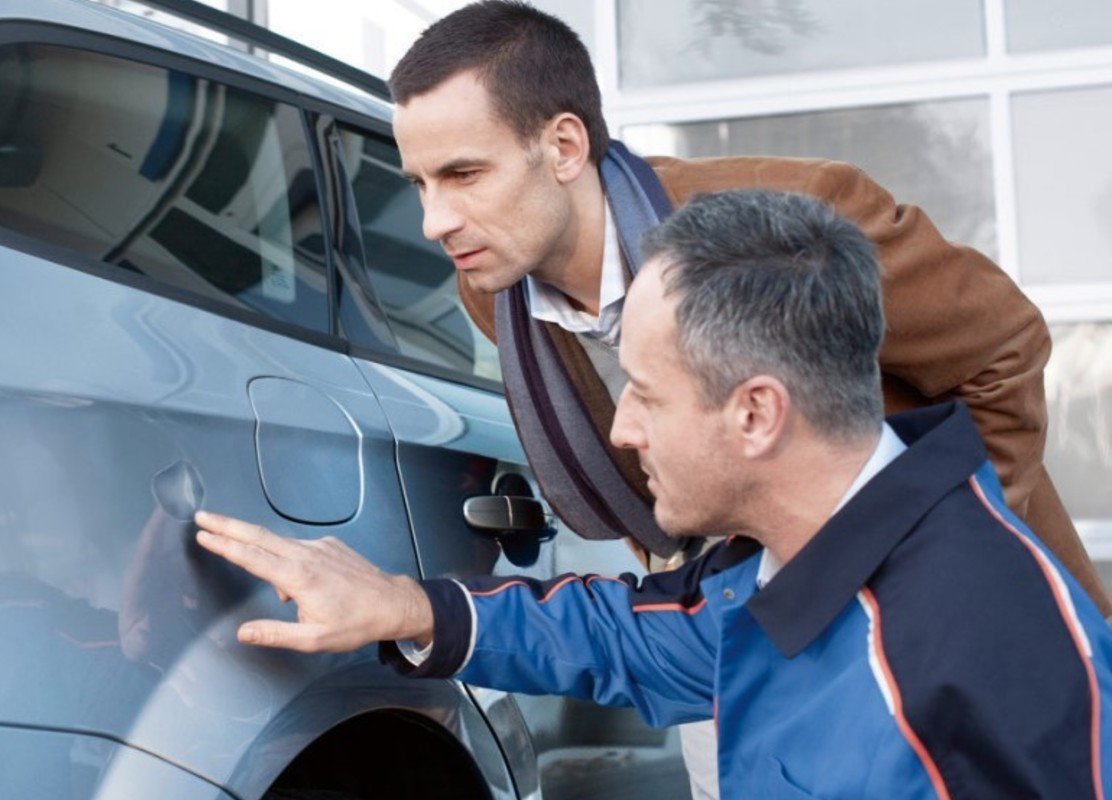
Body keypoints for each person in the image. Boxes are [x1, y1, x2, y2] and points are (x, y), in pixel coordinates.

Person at [386, 5, 1106, 794]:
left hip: (923, 605)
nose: (433, 221)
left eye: (462, 174)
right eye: (418, 183)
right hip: (731, 595)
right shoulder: (494, 289)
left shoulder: (786, 225)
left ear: (563, 147)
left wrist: (941, 552)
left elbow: (1002, 347)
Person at [195, 190, 1112, 798]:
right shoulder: (791, 571)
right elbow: (630, 635)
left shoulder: (984, 654)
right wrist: (402, 604)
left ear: (756, 414)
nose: (622, 429)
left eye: (648, 392)